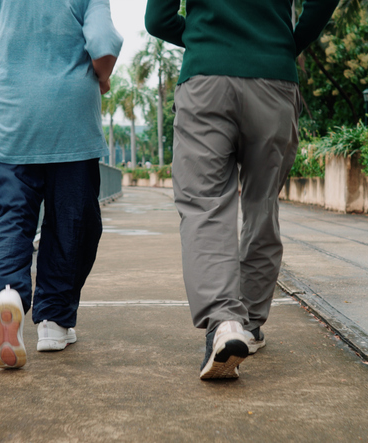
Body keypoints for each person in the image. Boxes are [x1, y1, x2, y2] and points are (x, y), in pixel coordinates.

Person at [145, 0, 338, 380]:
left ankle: (224, 322)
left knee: (204, 206)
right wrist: (286, 44)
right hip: (274, 80)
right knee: (262, 205)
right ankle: (247, 324)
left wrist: (206, 40)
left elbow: (157, 19)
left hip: (206, 82)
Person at [0, 0, 123, 369]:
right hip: (70, 124)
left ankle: (6, 295)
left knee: (14, 218)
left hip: (8, 124)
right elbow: (101, 41)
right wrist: (102, 76)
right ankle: (53, 321)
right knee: (72, 223)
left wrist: (9, 73)